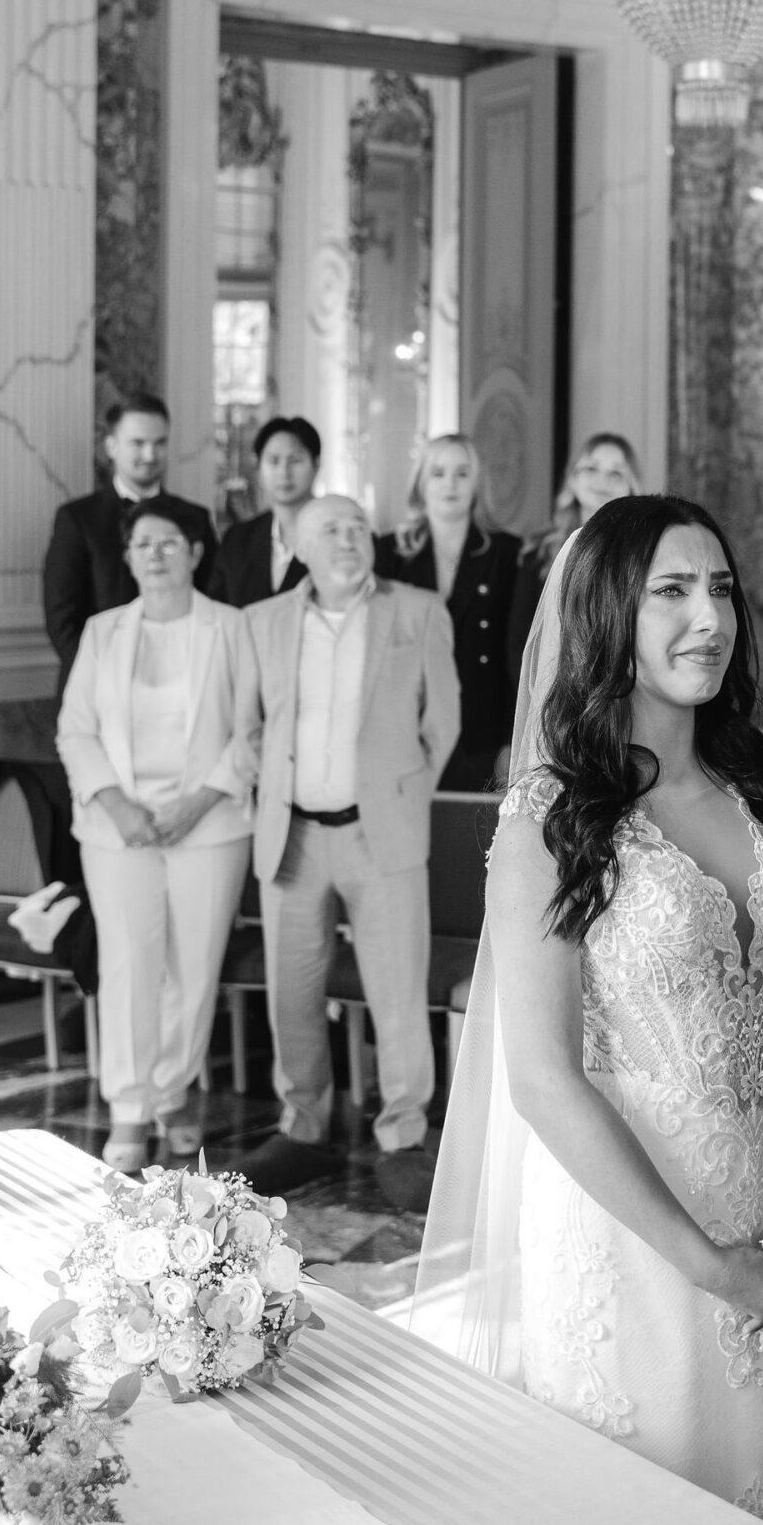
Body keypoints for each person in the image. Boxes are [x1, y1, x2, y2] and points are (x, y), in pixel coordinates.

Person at [412, 496, 763, 1525]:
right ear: (609, 613)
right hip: (632, 1234)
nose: (710, 618)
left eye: (722, 590)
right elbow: (541, 1078)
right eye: (672, 592)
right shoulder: (553, 816)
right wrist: (707, 1262)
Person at [238, 494, 459, 1210]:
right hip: (293, 835)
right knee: (292, 993)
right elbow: (247, 727)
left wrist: (403, 795)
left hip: (380, 832)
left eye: (359, 526)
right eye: (330, 529)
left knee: (398, 992)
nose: (348, 538)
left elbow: (442, 722)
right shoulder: (261, 622)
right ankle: (303, 1127)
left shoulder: (418, 611)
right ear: (300, 548)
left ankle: (403, 1137)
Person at [56, 499, 258, 1172]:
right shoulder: (102, 631)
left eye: (170, 542)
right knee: (128, 963)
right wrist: (117, 805)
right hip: (118, 829)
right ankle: (129, 1106)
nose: (156, 554)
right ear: (128, 556)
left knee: (194, 967)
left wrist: (199, 801)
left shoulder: (231, 627)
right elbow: (75, 730)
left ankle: (172, 1089)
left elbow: (252, 730)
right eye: (142, 544)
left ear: (196, 552)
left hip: (211, 822)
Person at [42, 393, 218, 688]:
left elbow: (211, 603)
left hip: (182, 685)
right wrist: (103, 679)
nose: (150, 455)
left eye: (160, 443)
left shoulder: (195, 518)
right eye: (138, 443)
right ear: (111, 446)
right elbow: (62, 618)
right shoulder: (77, 519)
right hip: (96, 685)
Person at [376, 432, 520, 791]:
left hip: (483, 732)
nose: (450, 484)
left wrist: (512, 739)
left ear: (477, 483)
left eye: (462, 473)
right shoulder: (387, 553)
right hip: (406, 729)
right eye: (438, 473)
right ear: (421, 483)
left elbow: (516, 655)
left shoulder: (508, 554)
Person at [504, 430, 643, 692]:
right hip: (550, 693)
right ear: (573, 478)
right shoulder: (538, 552)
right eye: (591, 468)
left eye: (615, 473)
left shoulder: (644, 555)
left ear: (631, 486)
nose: (602, 480)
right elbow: (519, 641)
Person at [206, 415, 319, 607]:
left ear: (316, 464)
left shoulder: (342, 536)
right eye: (274, 461)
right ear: (258, 466)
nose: (284, 472)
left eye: (295, 460)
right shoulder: (237, 541)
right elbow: (217, 612)